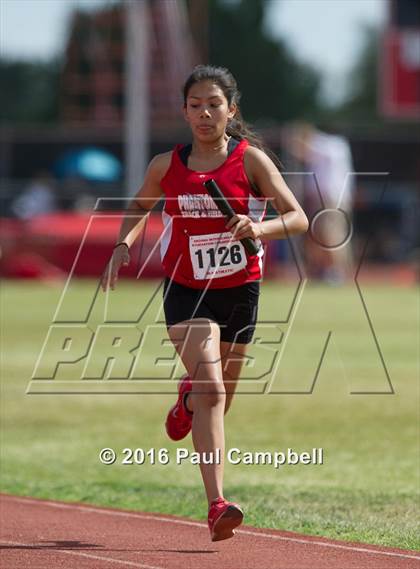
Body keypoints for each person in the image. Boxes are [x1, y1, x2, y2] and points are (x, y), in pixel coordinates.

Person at [101, 65, 308, 541]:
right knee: (213, 388)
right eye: (196, 105)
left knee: (220, 399)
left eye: (214, 104)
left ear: (230, 110)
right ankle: (217, 504)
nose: (205, 113)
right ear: (184, 111)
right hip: (187, 290)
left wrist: (259, 227)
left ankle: (187, 399)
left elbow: (297, 216)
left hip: (241, 291)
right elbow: (138, 208)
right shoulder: (166, 165)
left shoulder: (250, 160)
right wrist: (122, 245)